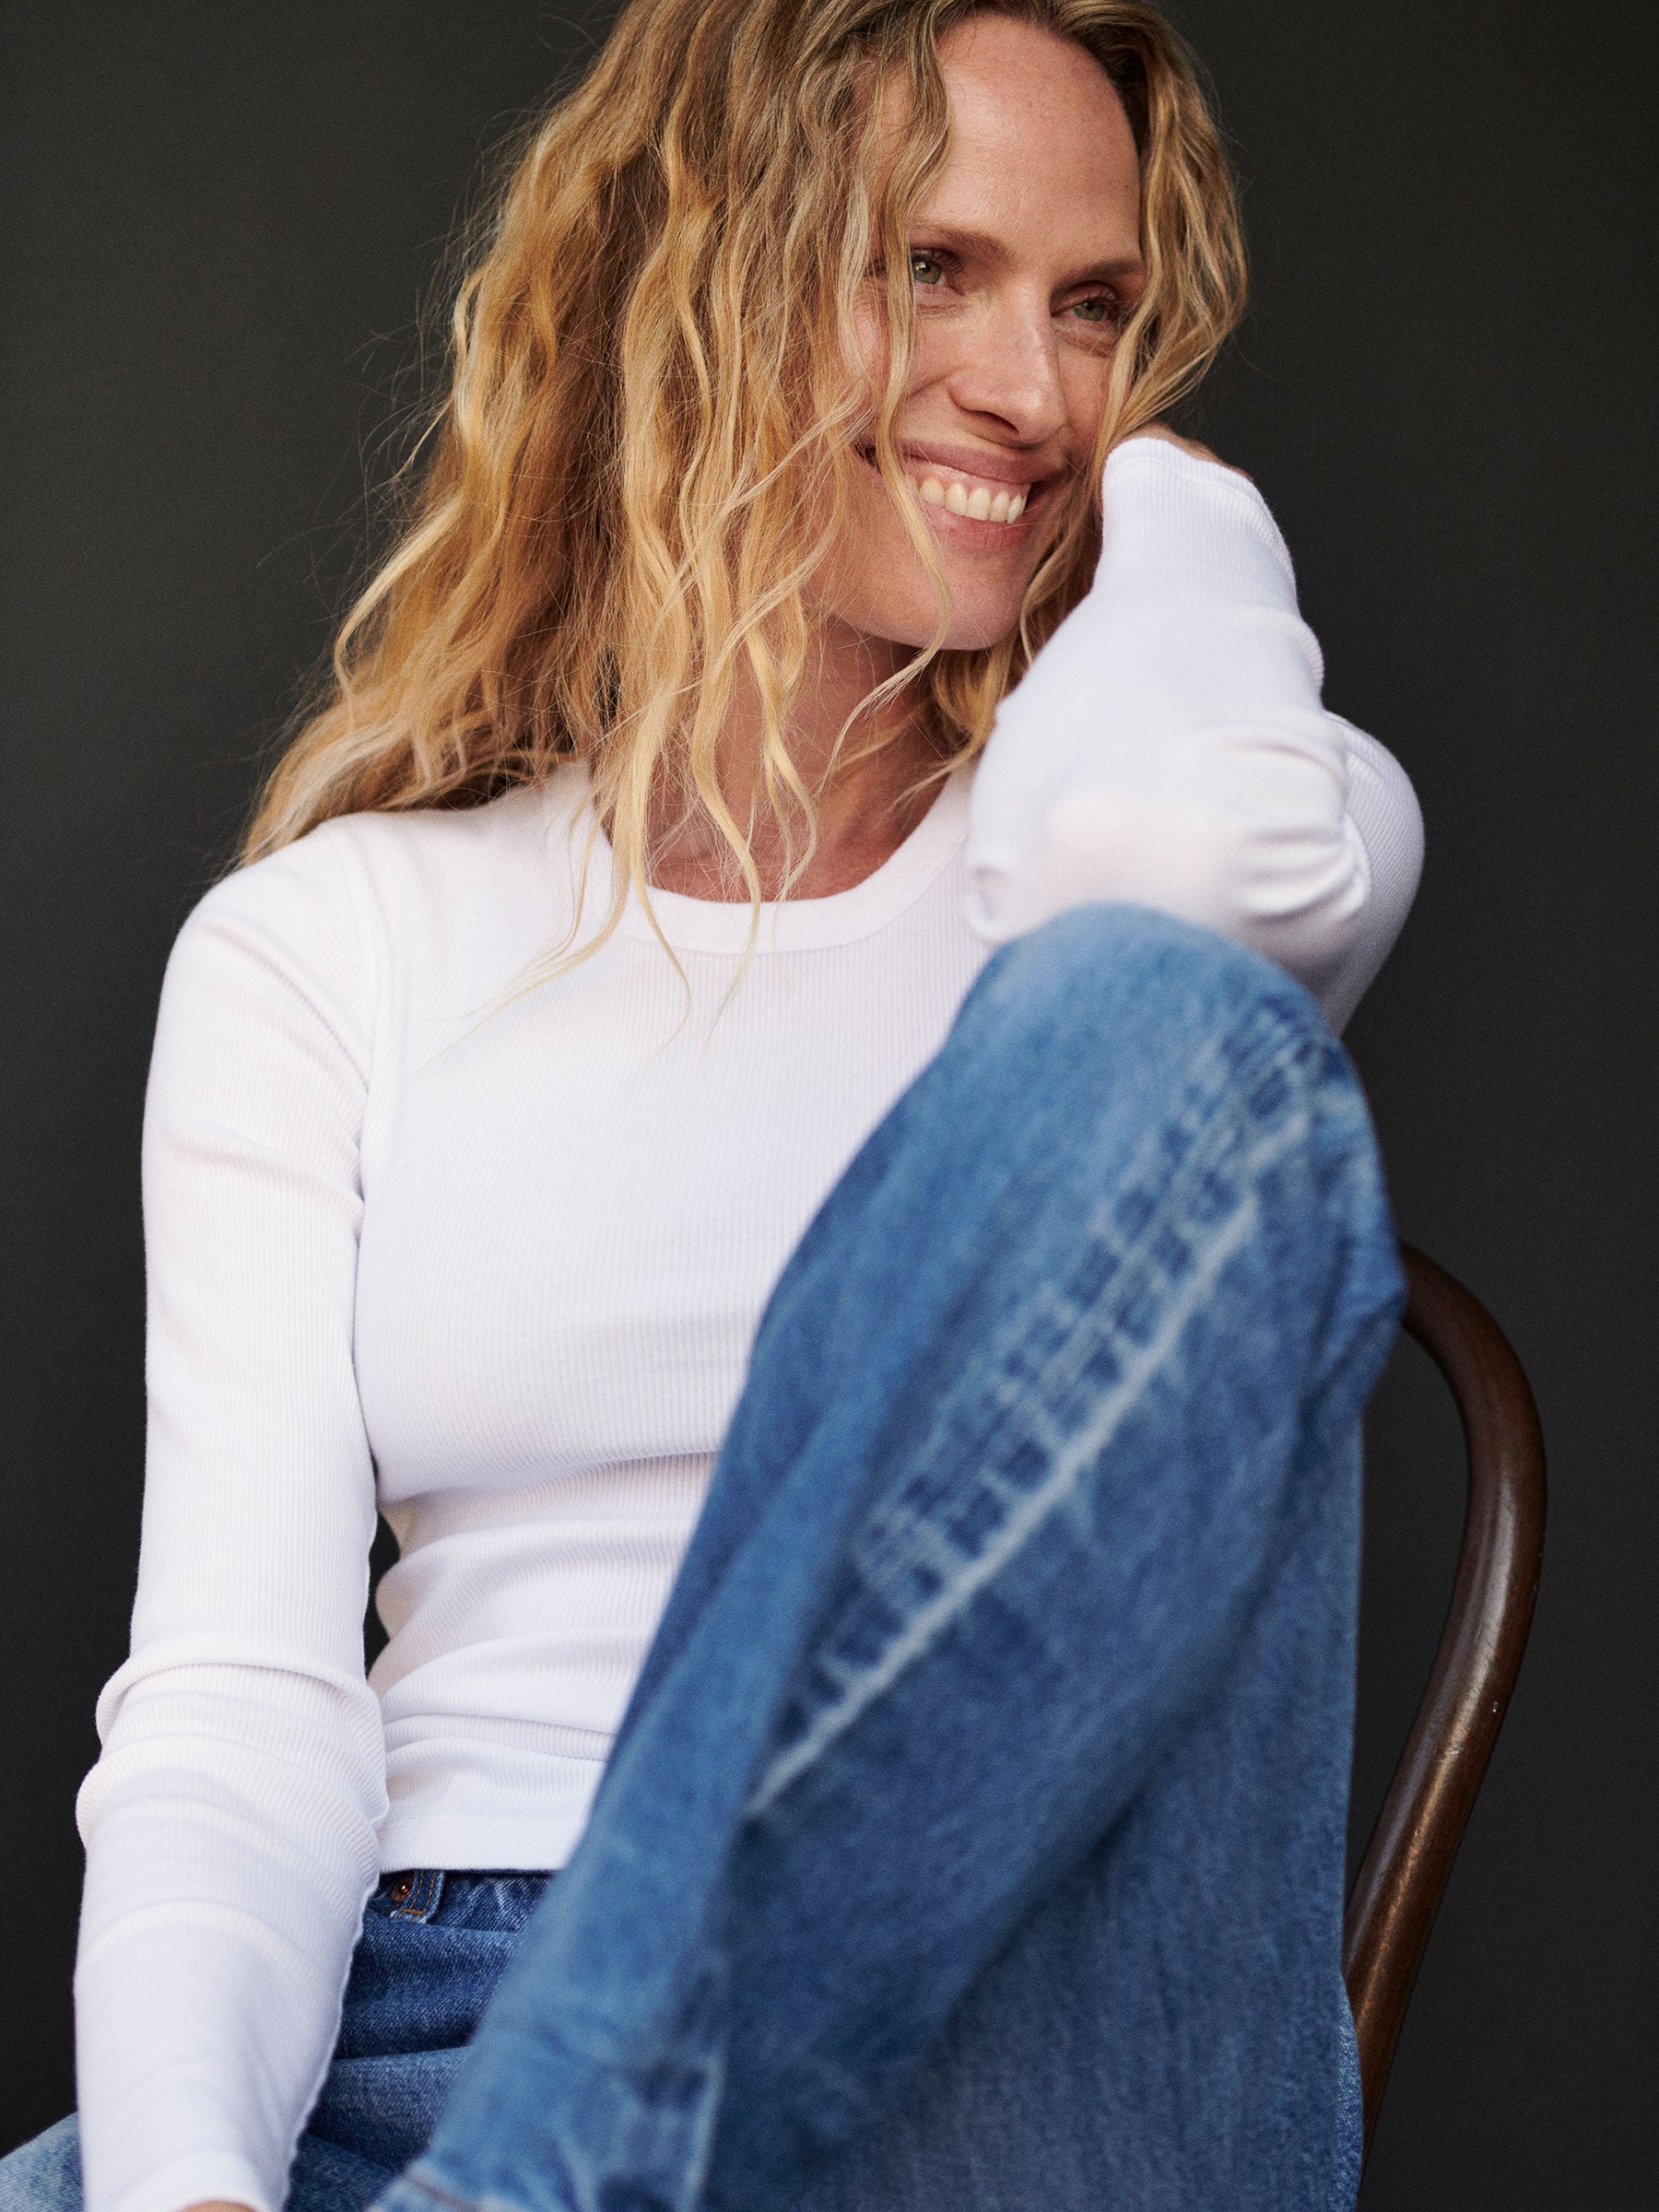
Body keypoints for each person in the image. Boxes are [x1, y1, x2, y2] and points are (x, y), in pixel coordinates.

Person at [0, 1, 1425, 2207]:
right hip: (429, 2035)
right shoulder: (332, 947)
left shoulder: (1201, 842)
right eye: (930, 268)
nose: (1035, 393)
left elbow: (1191, 895)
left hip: (994, 2051)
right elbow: (237, 1719)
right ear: (702, 279)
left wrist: (1185, 519)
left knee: (1167, 1028)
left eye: (1095, 310)